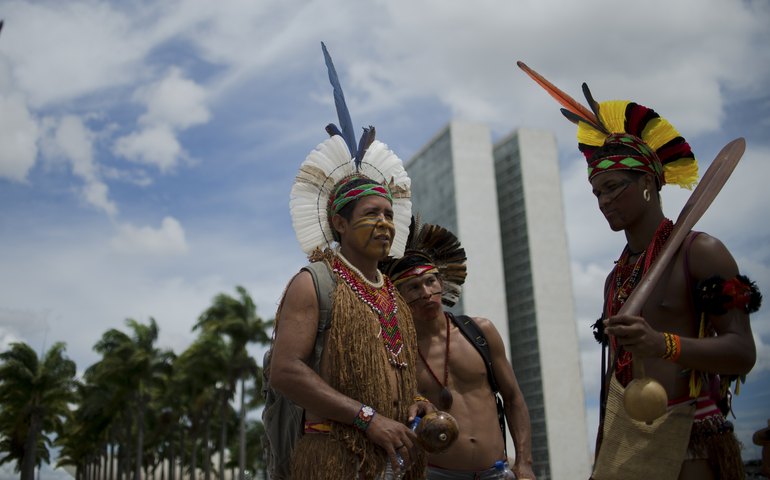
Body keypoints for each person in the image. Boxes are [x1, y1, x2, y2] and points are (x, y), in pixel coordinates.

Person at [519, 64, 761, 480]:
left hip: (691, 442)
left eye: (614, 187)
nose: (603, 201)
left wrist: (662, 344)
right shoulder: (616, 277)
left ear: (648, 181)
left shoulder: (700, 252)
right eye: (597, 192)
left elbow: (742, 354)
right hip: (626, 441)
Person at [268, 44, 433, 479]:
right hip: (334, 458)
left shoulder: (392, 295)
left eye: (389, 215)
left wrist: (414, 402)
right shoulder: (314, 283)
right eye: (371, 214)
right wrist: (367, 419)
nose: (385, 224)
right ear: (340, 223)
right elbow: (284, 371)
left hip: (394, 460)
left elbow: (396, 372)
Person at [381, 219, 536, 480]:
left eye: (430, 281)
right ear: (397, 297)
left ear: (441, 283)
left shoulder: (480, 331)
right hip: (436, 474)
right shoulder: (397, 353)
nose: (426, 293)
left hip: (497, 472)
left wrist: (524, 462)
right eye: (413, 287)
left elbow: (513, 398)